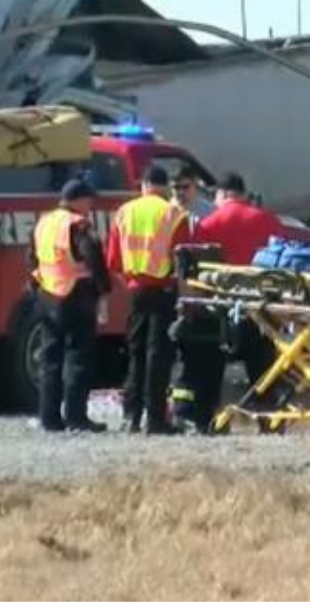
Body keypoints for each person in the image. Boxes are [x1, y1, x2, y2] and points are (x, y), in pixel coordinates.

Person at [173, 170, 289, 423]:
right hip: (262, 306)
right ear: (243, 194)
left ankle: (209, 418)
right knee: (263, 366)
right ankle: (268, 416)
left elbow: (196, 269)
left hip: (222, 308)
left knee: (210, 365)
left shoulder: (208, 224)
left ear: (222, 194)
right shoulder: (268, 220)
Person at [107, 165, 191, 434]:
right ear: (165, 186)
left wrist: (131, 282)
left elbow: (113, 261)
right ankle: (155, 419)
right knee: (159, 355)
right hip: (164, 290)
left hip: (135, 290)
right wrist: (185, 299)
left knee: (136, 353)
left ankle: (131, 416)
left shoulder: (124, 213)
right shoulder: (174, 214)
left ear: (142, 185)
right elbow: (183, 263)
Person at [28, 179, 112, 433]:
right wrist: (104, 292)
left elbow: (30, 257)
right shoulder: (78, 225)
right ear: (79, 200)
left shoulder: (44, 221)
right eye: (89, 200)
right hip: (76, 295)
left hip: (48, 294)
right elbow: (94, 258)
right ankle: (76, 417)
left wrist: (38, 285)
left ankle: (49, 418)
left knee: (50, 358)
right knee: (78, 357)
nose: (91, 205)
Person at [172, 165, 216, 230]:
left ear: (195, 186)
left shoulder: (210, 212)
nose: (181, 192)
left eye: (186, 187)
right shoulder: (166, 211)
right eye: (176, 187)